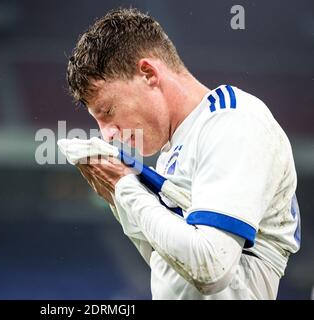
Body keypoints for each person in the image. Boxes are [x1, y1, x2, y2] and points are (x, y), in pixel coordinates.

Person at [66, 8, 301, 299]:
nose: (107, 134)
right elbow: (173, 267)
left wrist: (126, 189)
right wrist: (118, 199)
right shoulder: (174, 150)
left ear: (149, 74)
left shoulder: (233, 121)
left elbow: (210, 268)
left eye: (108, 111)